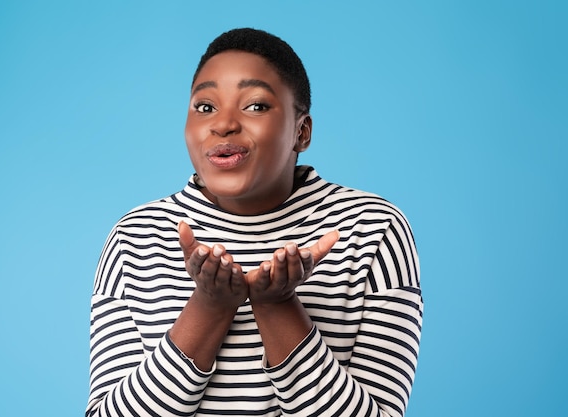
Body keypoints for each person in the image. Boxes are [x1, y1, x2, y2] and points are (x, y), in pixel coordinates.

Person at [86, 28, 422, 417]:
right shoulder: (135, 237)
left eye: (256, 105)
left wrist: (278, 306)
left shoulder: (372, 230)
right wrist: (209, 307)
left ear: (302, 131)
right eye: (205, 106)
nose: (224, 124)